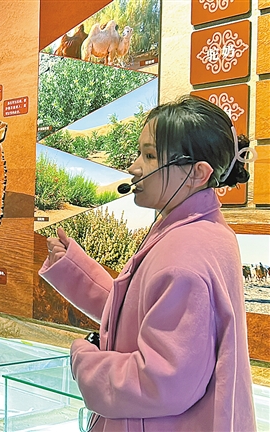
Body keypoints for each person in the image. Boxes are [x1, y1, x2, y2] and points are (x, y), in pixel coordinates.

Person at [40, 95, 255, 431]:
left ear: (198, 173)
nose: (134, 167)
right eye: (140, 152)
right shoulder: (195, 229)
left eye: (150, 155)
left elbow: (161, 382)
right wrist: (73, 267)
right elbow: (144, 309)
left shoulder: (185, 254)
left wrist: (85, 360)